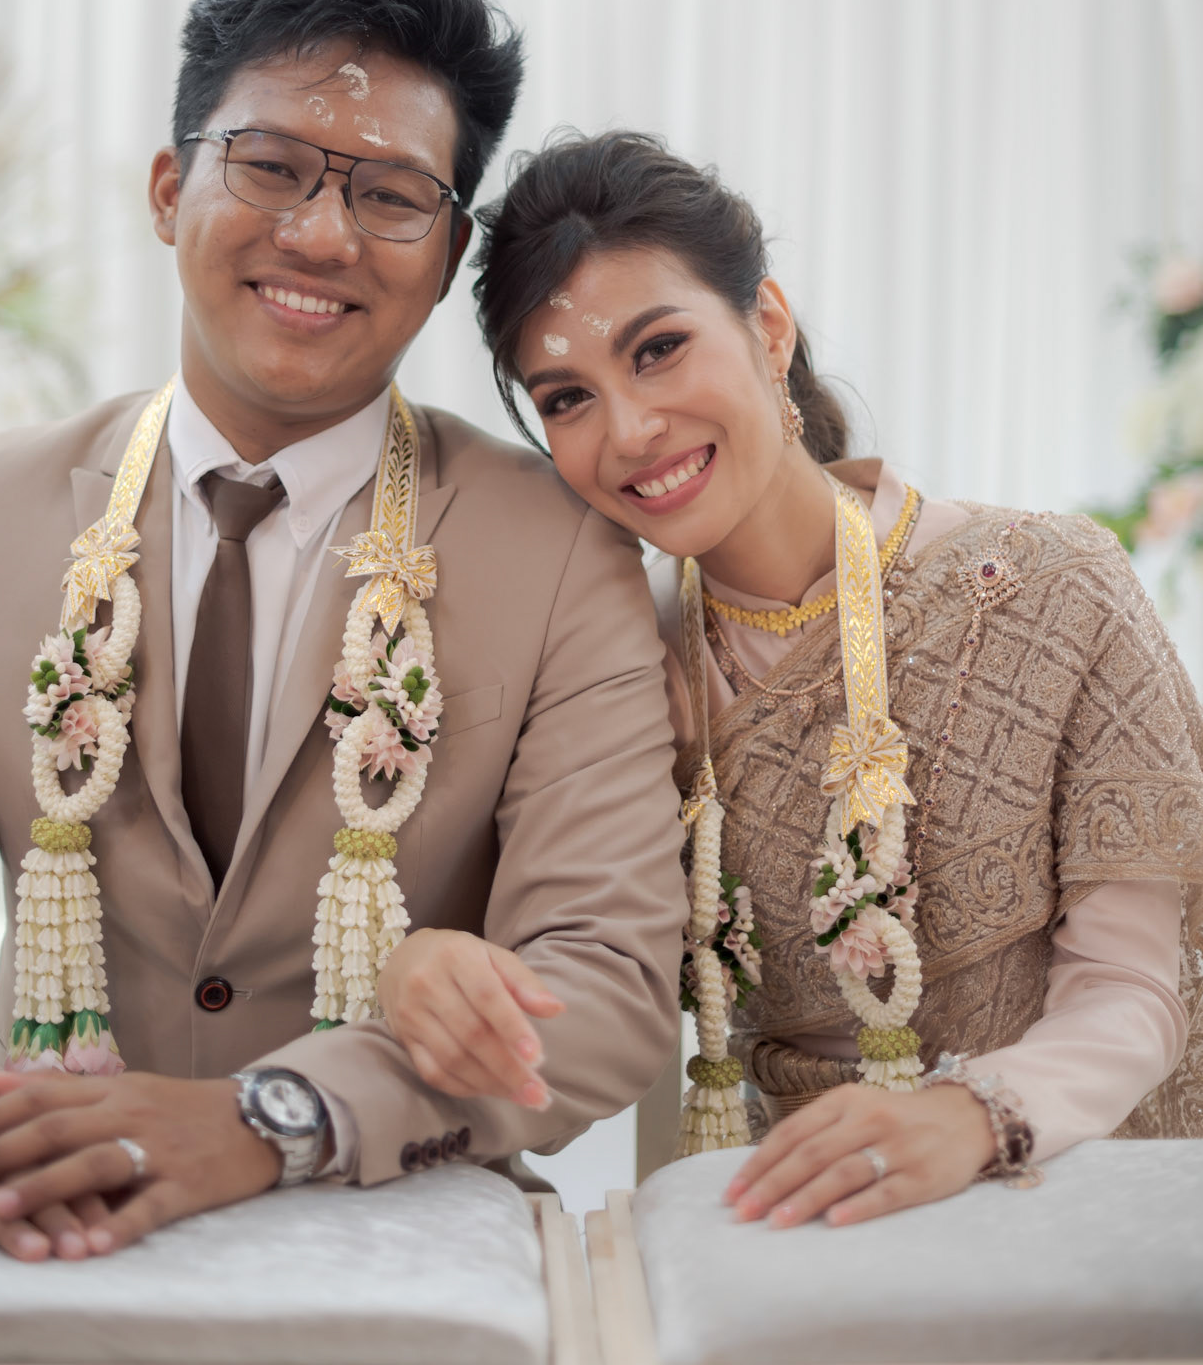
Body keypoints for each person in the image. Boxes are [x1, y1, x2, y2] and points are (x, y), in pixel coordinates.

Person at [0, 0, 686, 1262]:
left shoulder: (559, 548)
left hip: (386, 1249)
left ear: (448, 252)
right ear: (168, 187)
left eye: (390, 195)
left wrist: (266, 1119)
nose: (320, 235)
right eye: (271, 166)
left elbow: (607, 980)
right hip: (35, 1233)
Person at [472, 128, 1203, 1229]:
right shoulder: (614, 669)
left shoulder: (1053, 588)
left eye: (658, 348)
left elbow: (1133, 989)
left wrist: (969, 1117)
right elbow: (578, 990)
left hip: (1074, 1209)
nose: (629, 430)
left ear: (767, 326)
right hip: (794, 1230)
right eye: (565, 397)